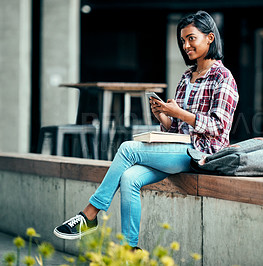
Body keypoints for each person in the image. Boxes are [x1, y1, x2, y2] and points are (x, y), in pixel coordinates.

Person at [53, 10, 239, 249]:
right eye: (182, 40)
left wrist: (178, 113)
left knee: (128, 149)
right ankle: (130, 249)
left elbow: (218, 127)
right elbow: (178, 128)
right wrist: (163, 115)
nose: (185, 45)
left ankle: (89, 214)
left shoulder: (223, 77)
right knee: (130, 178)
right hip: (180, 148)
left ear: (210, 38)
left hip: (202, 154)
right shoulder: (186, 77)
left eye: (191, 38)